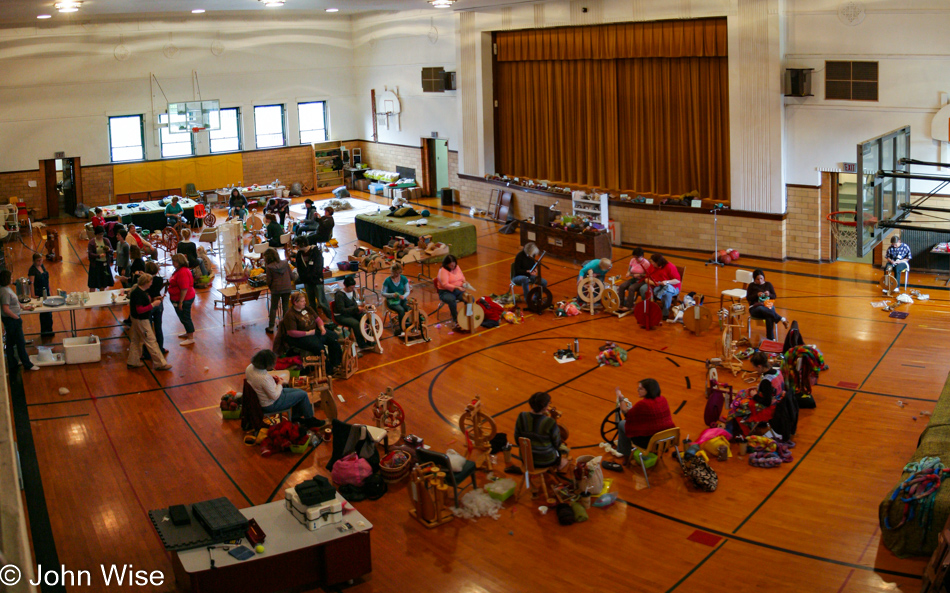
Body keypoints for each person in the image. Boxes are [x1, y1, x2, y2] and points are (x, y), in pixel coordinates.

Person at [246, 349, 325, 429]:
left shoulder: (250, 367)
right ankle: (310, 420)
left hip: (266, 396)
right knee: (303, 395)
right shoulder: (263, 378)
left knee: (299, 392)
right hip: (271, 404)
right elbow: (275, 396)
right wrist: (280, 383)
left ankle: (296, 418)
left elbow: (259, 381)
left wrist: (271, 378)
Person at [273, 291, 342, 375]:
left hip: (312, 332)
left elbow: (318, 319)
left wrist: (322, 328)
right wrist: (307, 333)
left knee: (333, 337)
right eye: (302, 301)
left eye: (304, 300)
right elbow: (291, 332)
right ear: (295, 302)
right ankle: (328, 370)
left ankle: (336, 363)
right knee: (319, 347)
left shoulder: (307, 308)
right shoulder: (290, 314)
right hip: (299, 337)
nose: (305, 302)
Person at [614, 379, 674, 459]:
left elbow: (626, 413)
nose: (637, 390)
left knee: (622, 424)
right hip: (667, 439)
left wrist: (620, 398)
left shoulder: (643, 404)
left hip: (649, 442)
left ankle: (625, 454)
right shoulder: (663, 399)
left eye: (641, 388)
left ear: (648, 390)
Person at [126, 273, 172, 371]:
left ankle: (133, 361)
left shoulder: (137, 291)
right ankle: (160, 364)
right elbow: (140, 310)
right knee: (151, 341)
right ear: (146, 282)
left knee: (136, 341)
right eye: (150, 282)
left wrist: (153, 300)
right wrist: (153, 304)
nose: (151, 284)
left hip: (136, 319)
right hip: (141, 320)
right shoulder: (140, 294)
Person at [513, 391, 569, 470]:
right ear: (545, 407)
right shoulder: (550, 422)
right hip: (546, 460)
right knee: (564, 458)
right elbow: (557, 444)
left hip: (525, 459)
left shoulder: (522, 416)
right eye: (549, 404)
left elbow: (517, 439)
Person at [0, 270, 38, 372]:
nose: (12, 278)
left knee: (10, 342)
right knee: (20, 342)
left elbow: (15, 301)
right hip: (12, 320)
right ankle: (27, 364)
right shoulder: (4, 292)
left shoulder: (7, 289)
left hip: (12, 319)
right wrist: (16, 317)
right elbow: (5, 309)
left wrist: (23, 307)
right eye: (11, 277)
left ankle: (12, 363)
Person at [746, 268, 788, 341]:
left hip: (767, 306)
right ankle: (782, 319)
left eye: (761, 278)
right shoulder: (751, 286)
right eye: (757, 279)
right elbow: (748, 298)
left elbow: (774, 296)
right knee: (762, 309)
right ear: (754, 279)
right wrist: (756, 295)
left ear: (764, 277)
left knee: (769, 315)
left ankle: (770, 339)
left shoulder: (768, 284)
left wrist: (769, 294)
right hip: (755, 308)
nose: (760, 281)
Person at [333, 276, 374, 350]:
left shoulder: (352, 292)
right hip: (341, 316)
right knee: (356, 324)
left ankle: (370, 340)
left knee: (368, 318)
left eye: (353, 287)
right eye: (351, 288)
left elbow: (354, 305)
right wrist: (356, 309)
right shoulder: (339, 295)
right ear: (345, 286)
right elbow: (342, 310)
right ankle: (362, 345)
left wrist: (360, 310)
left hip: (351, 313)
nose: (353, 289)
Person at [638, 254, 681, 319]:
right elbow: (646, 279)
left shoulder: (670, 266)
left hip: (670, 286)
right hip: (656, 285)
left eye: (652, 262)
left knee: (666, 294)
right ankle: (648, 308)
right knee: (643, 289)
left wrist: (667, 282)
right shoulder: (652, 266)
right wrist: (654, 283)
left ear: (657, 262)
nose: (651, 263)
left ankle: (665, 314)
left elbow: (677, 281)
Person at [294, 236, 328, 313]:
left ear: (302, 244)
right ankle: (315, 318)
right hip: (307, 282)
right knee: (311, 302)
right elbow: (299, 268)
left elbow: (318, 268)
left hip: (316, 281)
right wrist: (304, 278)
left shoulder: (316, 252)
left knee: (321, 301)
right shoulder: (299, 255)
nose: (296, 247)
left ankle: (330, 317)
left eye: (297, 245)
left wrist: (310, 277)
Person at [168, 254, 196, 346]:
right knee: (183, 317)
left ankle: (191, 337)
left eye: (174, 261)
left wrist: (181, 302)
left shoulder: (182, 272)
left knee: (185, 317)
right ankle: (188, 332)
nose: (172, 263)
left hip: (185, 299)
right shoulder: (179, 270)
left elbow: (184, 289)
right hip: (180, 298)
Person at [263, 248, 293, 334]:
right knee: (286, 306)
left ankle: (271, 327)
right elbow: (291, 275)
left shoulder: (269, 267)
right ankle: (286, 326)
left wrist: (270, 286)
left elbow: (269, 280)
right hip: (287, 287)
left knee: (273, 307)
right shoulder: (285, 263)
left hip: (276, 289)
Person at [143, 261, 167, 357]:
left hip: (149, 304)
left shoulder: (144, 281)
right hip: (159, 303)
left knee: (147, 329)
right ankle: (160, 348)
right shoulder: (159, 279)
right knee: (158, 327)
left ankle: (147, 352)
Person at [436, 254, 467, 326]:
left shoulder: (457, 267)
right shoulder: (442, 271)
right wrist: (456, 287)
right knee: (451, 300)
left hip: (457, 291)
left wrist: (464, 282)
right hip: (445, 292)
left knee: (470, 298)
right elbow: (445, 284)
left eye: (454, 265)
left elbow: (462, 276)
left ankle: (467, 315)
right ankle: (456, 319)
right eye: (451, 266)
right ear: (446, 265)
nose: (453, 267)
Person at [28, 253, 54, 338]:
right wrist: (33, 295)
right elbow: (31, 283)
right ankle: (44, 332)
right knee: (43, 313)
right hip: (39, 292)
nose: (40, 262)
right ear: (34, 261)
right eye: (38, 260)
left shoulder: (42, 266)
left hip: (46, 291)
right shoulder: (32, 270)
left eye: (41, 260)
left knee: (49, 312)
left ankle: (49, 330)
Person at [382, 263, 410, 336]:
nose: (397, 274)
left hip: (402, 299)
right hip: (392, 301)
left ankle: (409, 325)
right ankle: (402, 329)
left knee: (409, 308)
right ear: (392, 271)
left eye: (399, 273)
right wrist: (392, 295)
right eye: (395, 273)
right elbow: (382, 293)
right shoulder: (387, 281)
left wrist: (404, 296)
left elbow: (407, 291)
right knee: (401, 310)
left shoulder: (403, 279)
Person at [86, 226, 114, 291]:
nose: (101, 236)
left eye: (102, 234)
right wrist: (98, 256)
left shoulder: (106, 240)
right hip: (95, 265)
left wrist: (108, 250)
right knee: (93, 284)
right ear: (96, 234)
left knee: (103, 283)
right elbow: (90, 254)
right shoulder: (92, 242)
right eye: (99, 234)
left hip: (104, 264)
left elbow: (111, 251)